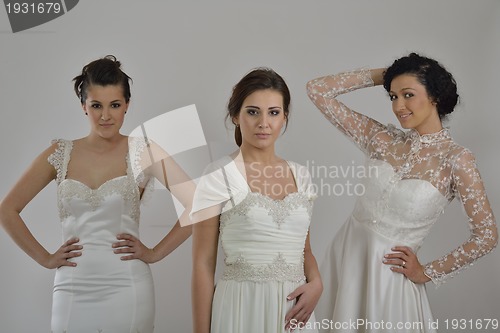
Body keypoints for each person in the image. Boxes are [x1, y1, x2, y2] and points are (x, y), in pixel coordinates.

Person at [0, 55, 194, 333]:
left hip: (128, 287)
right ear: (83, 107)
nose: (105, 116)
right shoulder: (60, 153)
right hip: (70, 286)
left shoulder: (144, 151)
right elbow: (7, 210)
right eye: (96, 106)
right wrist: (45, 258)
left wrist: (154, 253)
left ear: (127, 105)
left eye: (115, 105)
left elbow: (199, 203)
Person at [306, 53, 498, 332]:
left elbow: (487, 235)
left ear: (434, 96)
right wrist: (389, 74)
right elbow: (317, 90)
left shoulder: (456, 160)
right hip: (346, 259)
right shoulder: (380, 139)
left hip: (390, 277)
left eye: (408, 94)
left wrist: (427, 272)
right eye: (393, 96)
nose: (399, 106)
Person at [191, 68, 323, 333]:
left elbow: (304, 250)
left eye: (274, 112)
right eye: (253, 112)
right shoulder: (218, 175)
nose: (264, 122)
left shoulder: (302, 176)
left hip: (294, 312)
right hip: (241, 308)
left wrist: (317, 283)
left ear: (284, 117)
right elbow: (203, 264)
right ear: (236, 116)